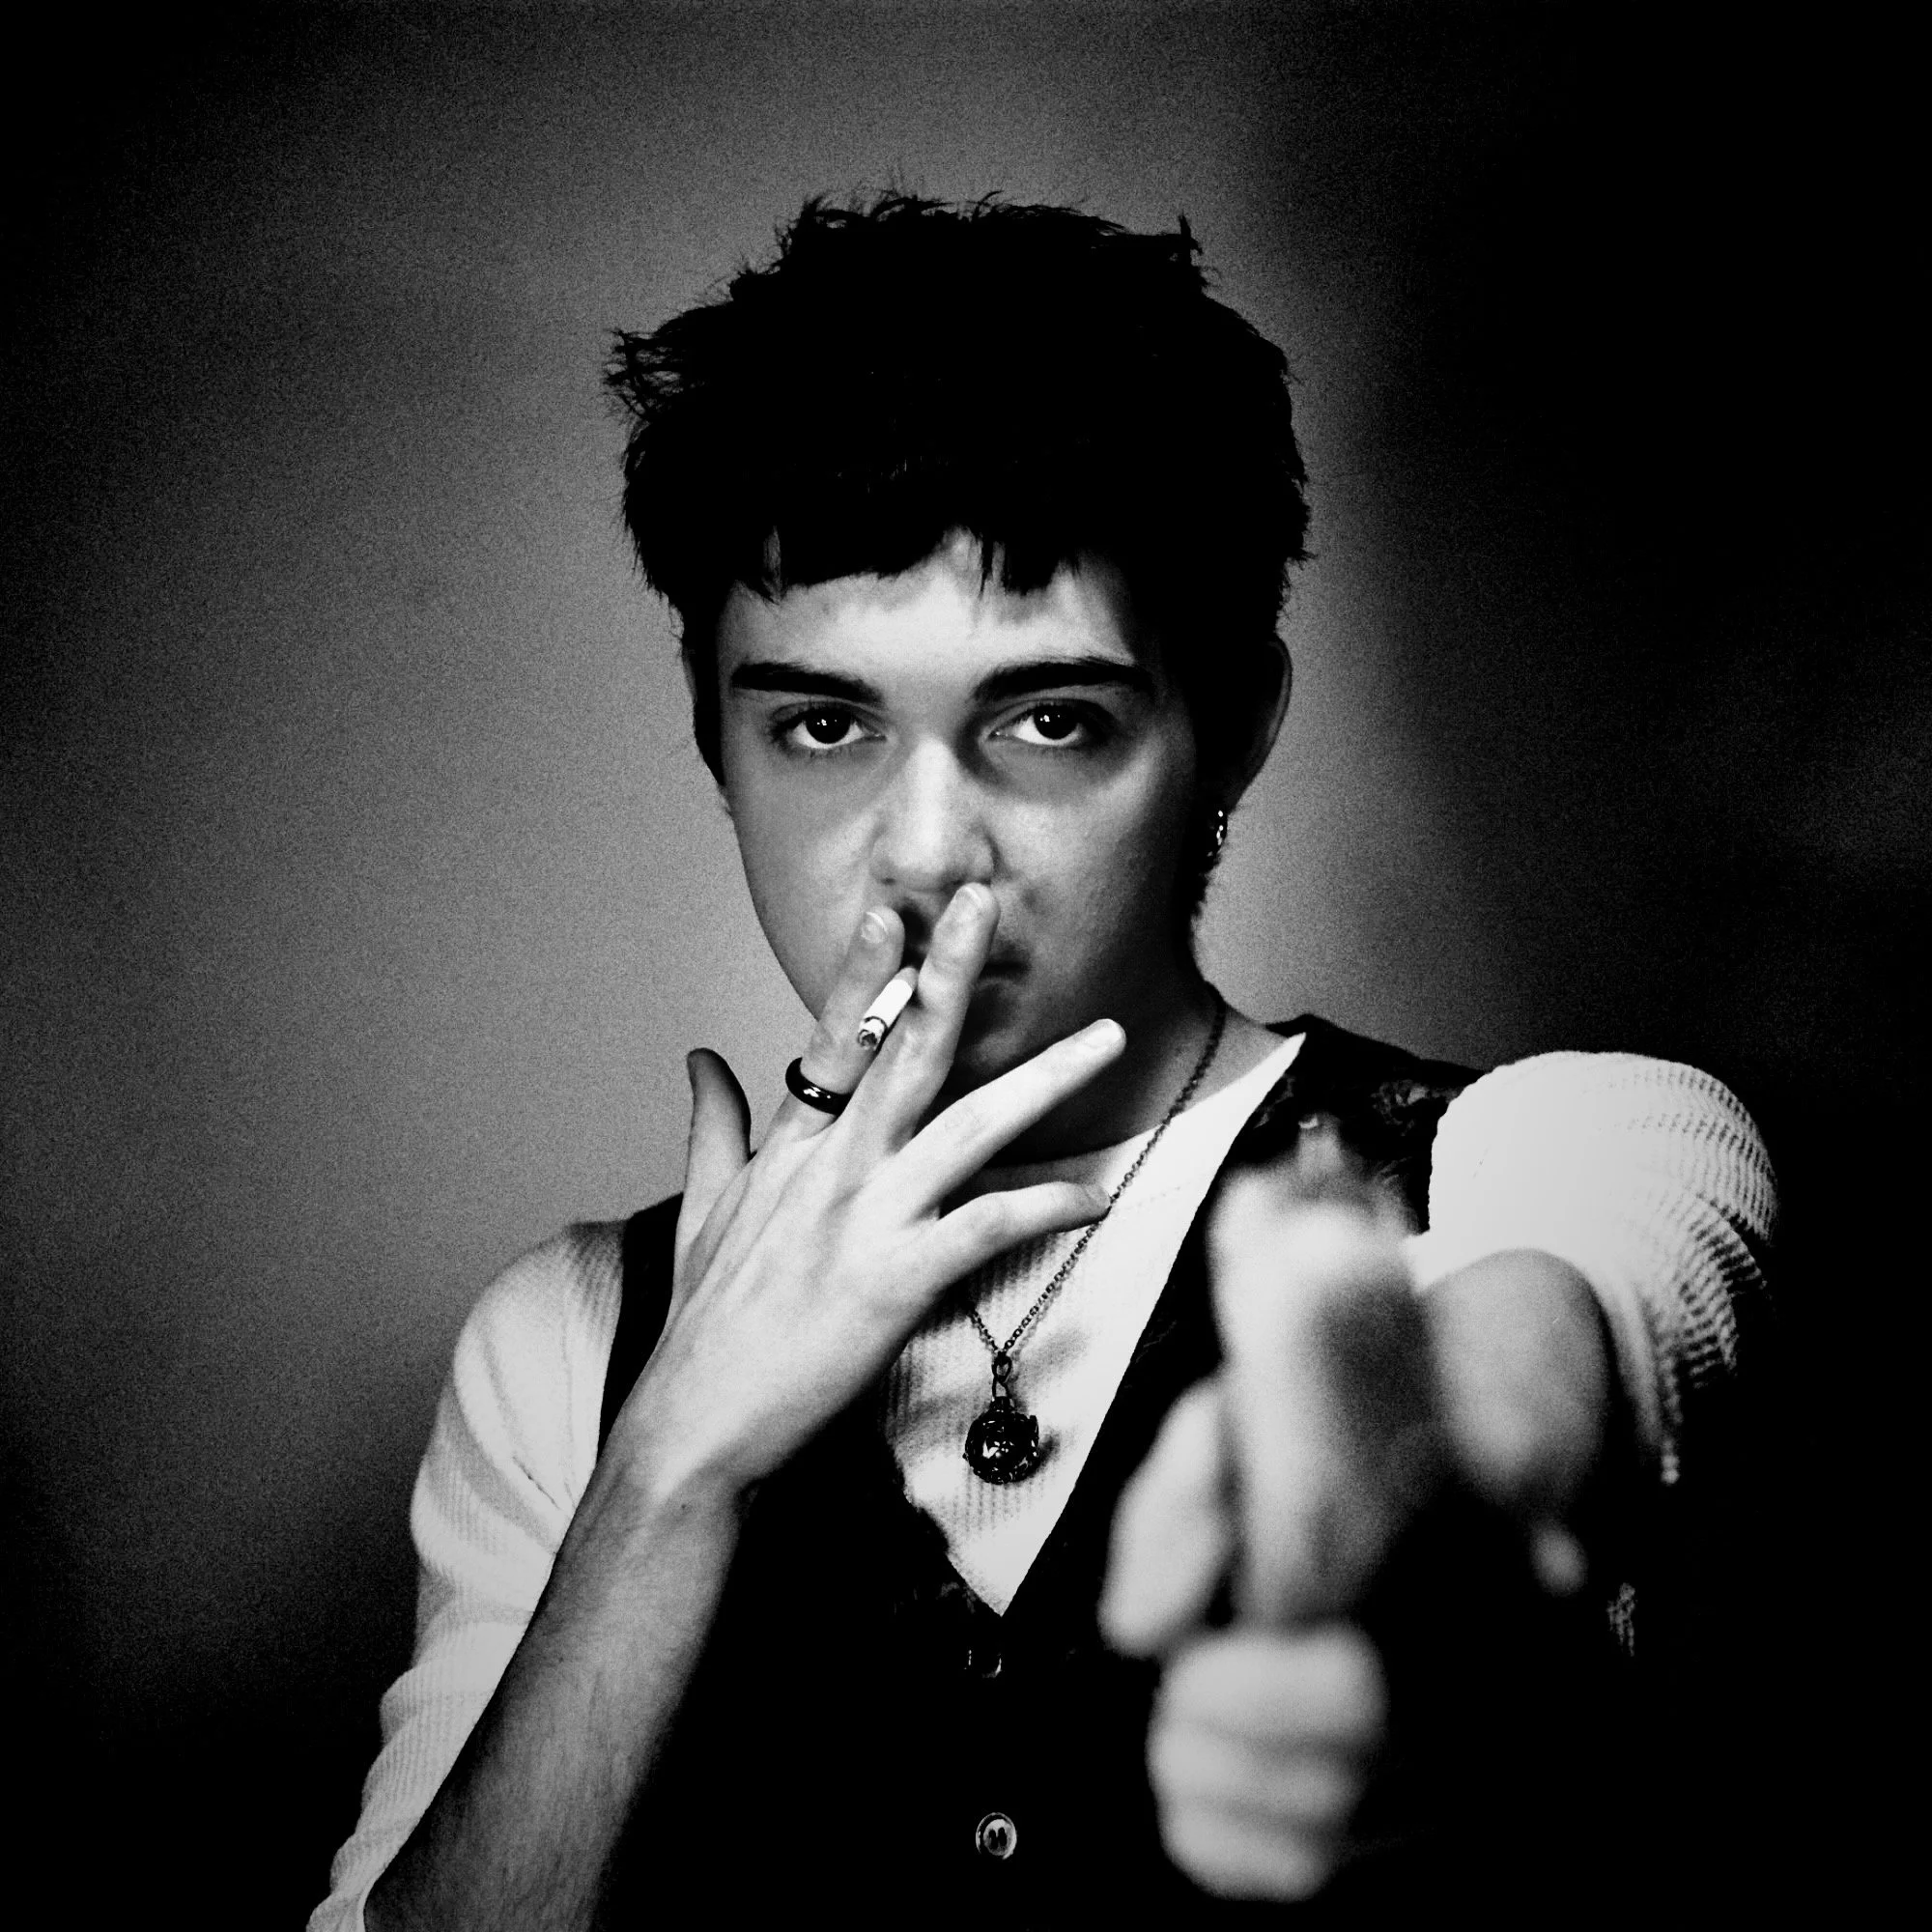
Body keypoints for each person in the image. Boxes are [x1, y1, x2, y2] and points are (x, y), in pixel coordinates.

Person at [312, 194, 1775, 1929]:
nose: (928, 853)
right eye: (824, 723)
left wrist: (1417, 1491)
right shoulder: (565, 1340)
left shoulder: (1546, 1142)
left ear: (1233, 725)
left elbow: (1561, 1341)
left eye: (1049, 720)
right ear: (713, 736)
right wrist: (669, 1470)